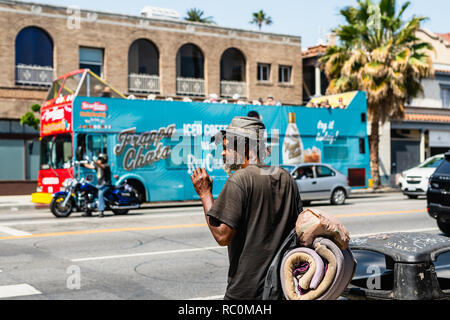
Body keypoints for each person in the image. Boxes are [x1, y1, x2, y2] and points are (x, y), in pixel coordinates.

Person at [190, 116, 303, 300]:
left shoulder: (240, 179)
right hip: (281, 289)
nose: (223, 154)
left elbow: (222, 236)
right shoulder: (286, 178)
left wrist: (205, 194)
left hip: (245, 293)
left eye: (227, 147)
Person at [84, 153, 111, 218]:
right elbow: (90, 166)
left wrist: (95, 162)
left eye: (100, 159)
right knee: (89, 192)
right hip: (99, 185)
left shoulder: (106, 166)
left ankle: (101, 211)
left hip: (105, 185)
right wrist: (83, 163)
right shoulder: (97, 166)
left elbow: (102, 166)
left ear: (103, 160)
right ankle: (88, 210)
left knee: (100, 194)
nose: (98, 160)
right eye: (98, 159)